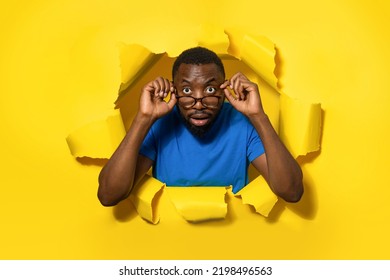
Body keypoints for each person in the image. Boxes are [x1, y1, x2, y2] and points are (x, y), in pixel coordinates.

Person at [98, 47, 303, 206]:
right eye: (187, 89)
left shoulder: (242, 122)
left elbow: (291, 191)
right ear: (173, 89)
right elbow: (109, 195)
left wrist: (258, 115)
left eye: (210, 88)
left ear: (224, 89)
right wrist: (143, 119)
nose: (198, 101)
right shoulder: (159, 123)